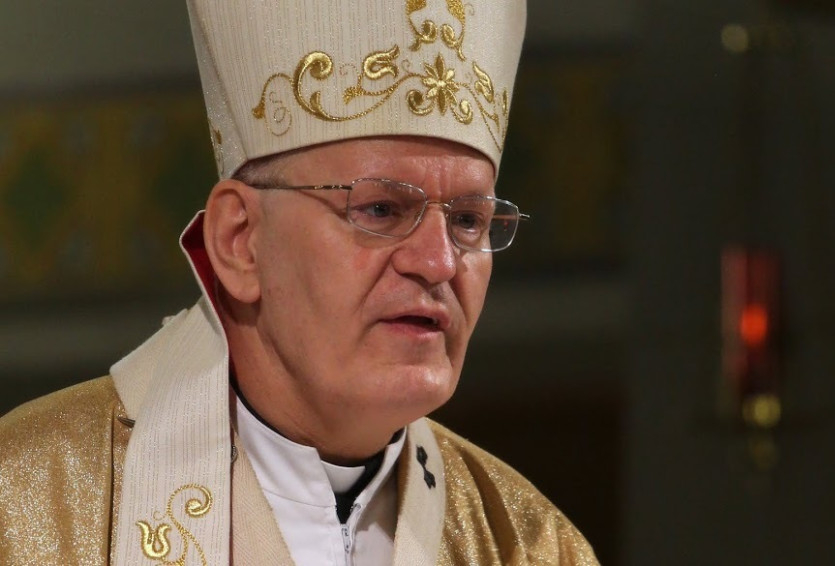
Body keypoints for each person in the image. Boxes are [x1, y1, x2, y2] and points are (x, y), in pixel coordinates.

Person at [0, 1, 599, 564]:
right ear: (239, 241)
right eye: (381, 210)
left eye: (468, 220)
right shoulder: (25, 501)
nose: (439, 262)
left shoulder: (531, 547)